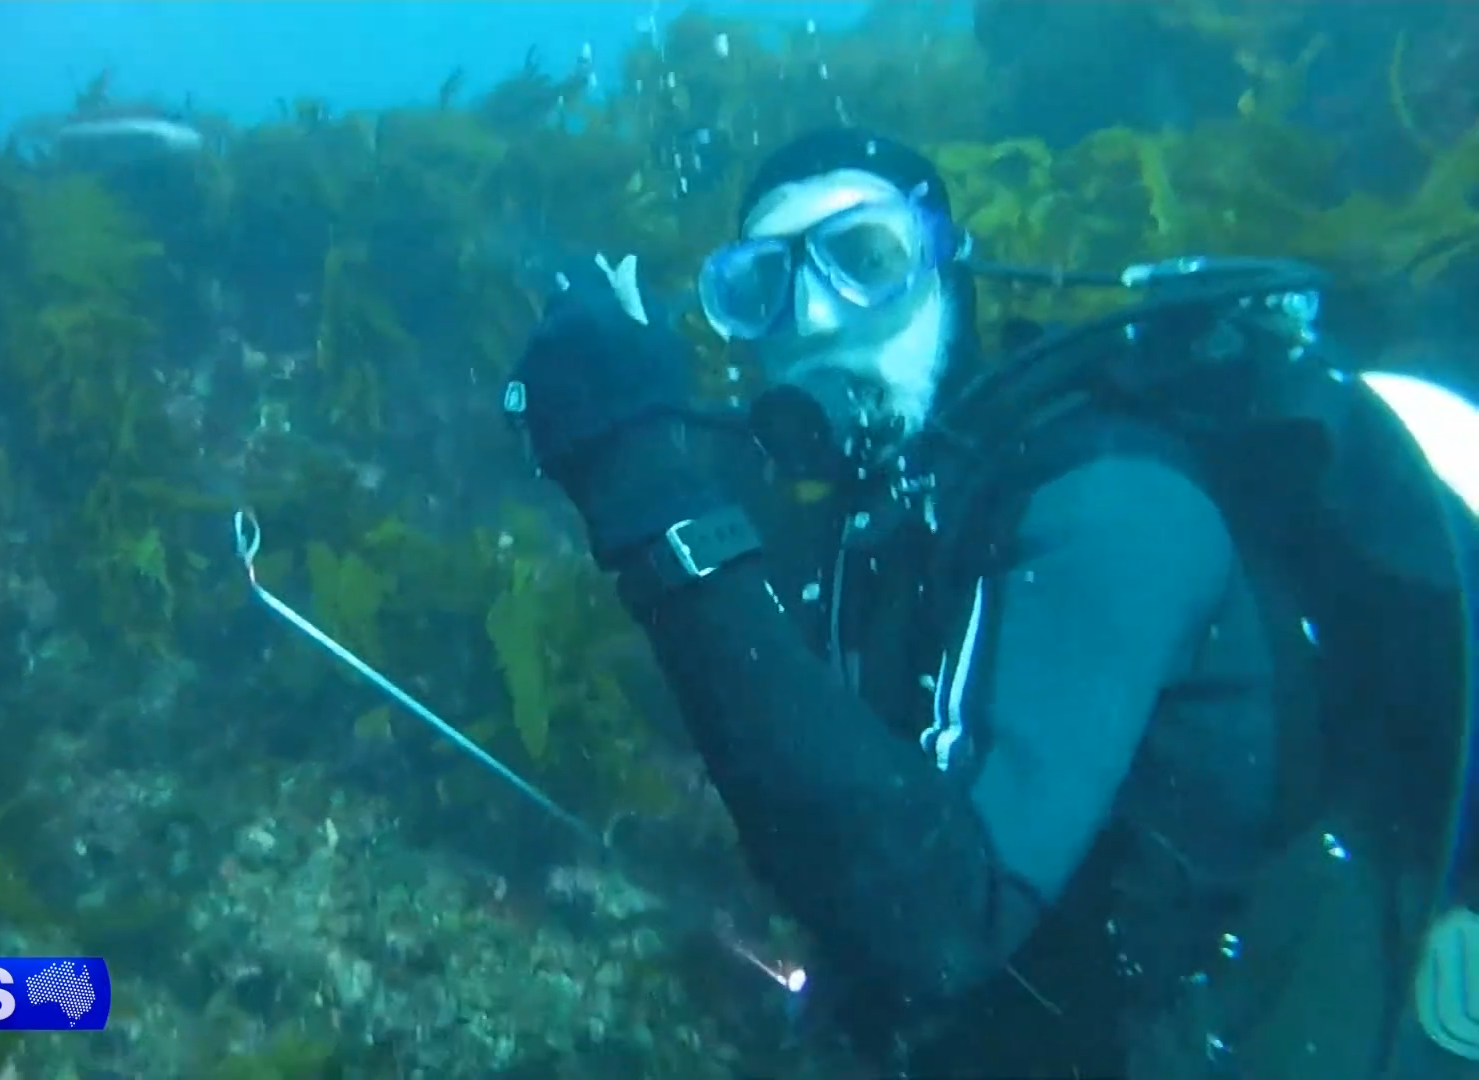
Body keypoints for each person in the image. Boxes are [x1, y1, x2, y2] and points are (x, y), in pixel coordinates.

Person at [502, 126, 1479, 1078]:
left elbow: (936, 920)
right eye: (762, 287)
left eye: (864, 257)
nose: (816, 316)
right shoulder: (885, 522)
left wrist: (642, 488)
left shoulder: (1110, 505)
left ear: (947, 269)